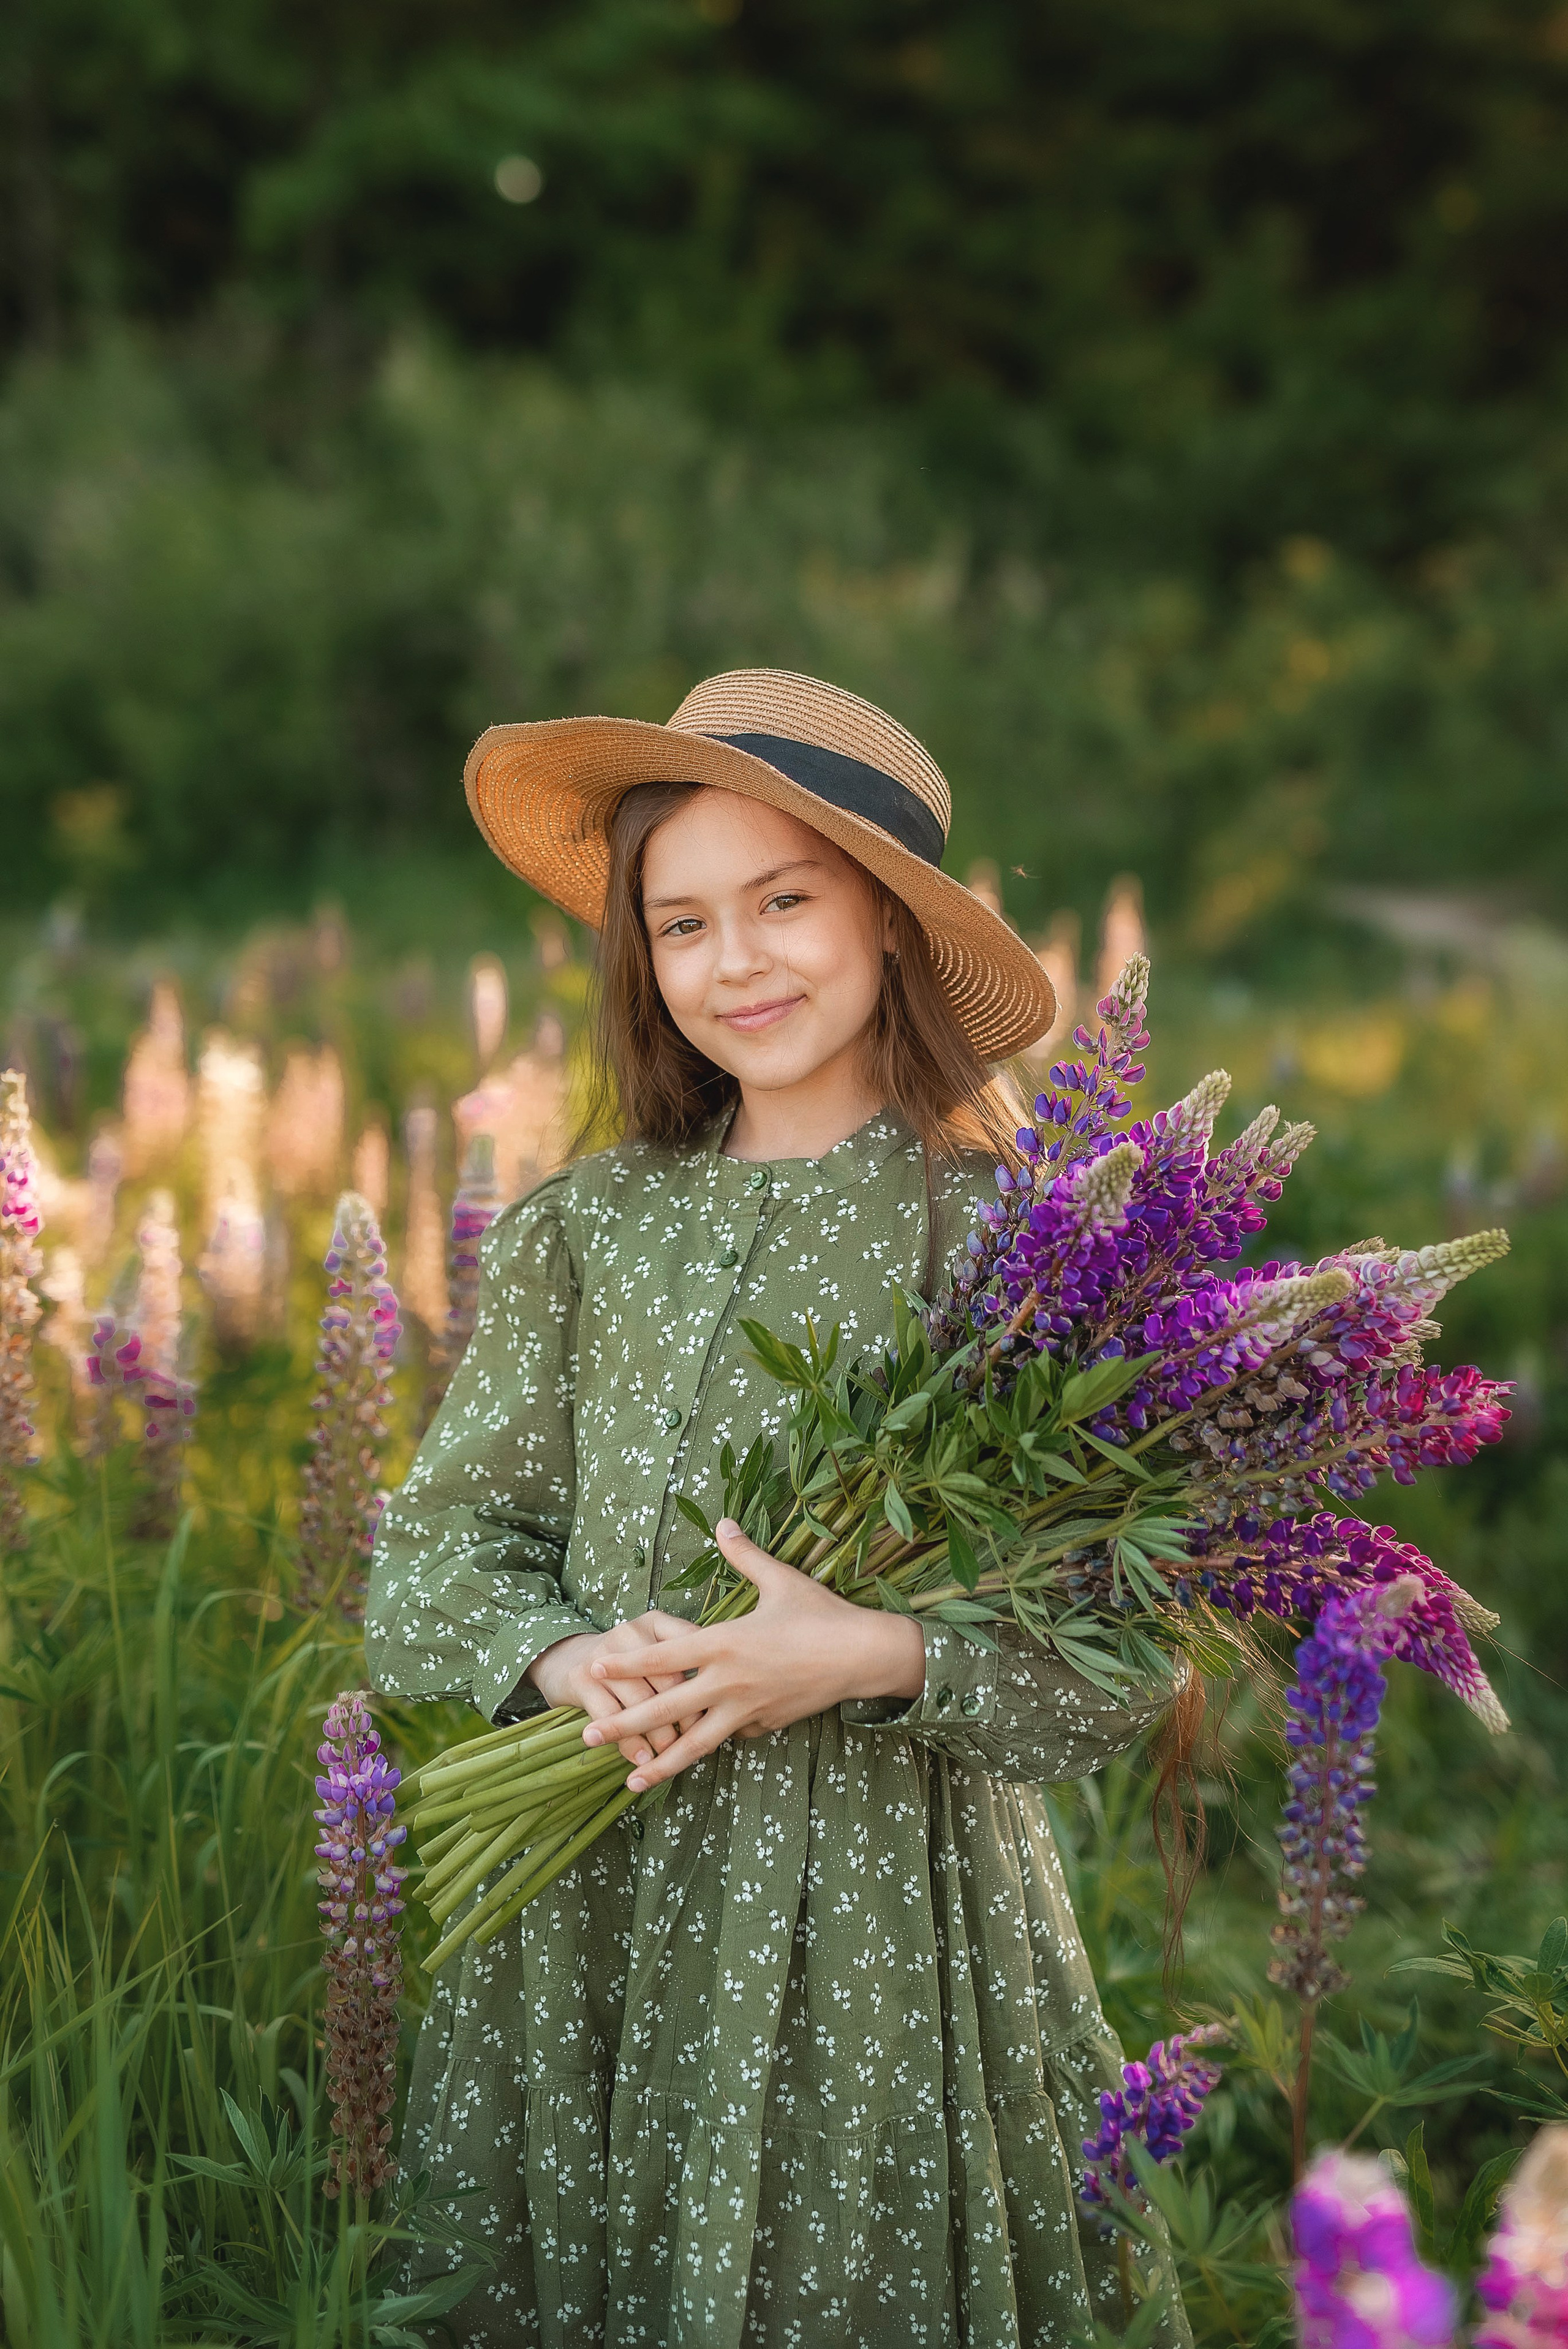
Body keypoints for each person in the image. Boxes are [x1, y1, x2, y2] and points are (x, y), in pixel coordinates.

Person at [365, 670, 1189, 2349]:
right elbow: (437, 1549)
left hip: (885, 1917)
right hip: (588, 1888)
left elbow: (1125, 1653)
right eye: (681, 924)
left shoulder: (1014, 1246)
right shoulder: (587, 1228)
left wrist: (869, 1653)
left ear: (890, 917)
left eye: (785, 901)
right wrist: (562, 1659)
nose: (733, 960)